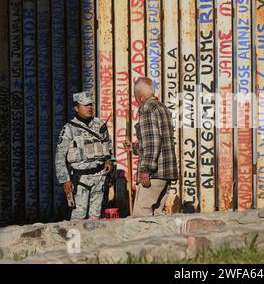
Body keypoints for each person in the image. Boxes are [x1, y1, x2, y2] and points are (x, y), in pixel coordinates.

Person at [55, 92, 115, 220]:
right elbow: (60, 156)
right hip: (80, 179)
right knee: (78, 217)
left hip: (99, 178)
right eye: (86, 105)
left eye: (91, 104)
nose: (90, 107)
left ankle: (94, 239)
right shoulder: (69, 129)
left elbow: (108, 145)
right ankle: (77, 240)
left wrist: (109, 161)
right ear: (76, 108)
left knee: (96, 216)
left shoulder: (99, 125)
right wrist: (65, 180)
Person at [124, 77, 178, 217]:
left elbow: (152, 142)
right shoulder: (161, 108)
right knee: (157, 215)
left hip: (154, 174)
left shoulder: (147, 108)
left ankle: (144, 240)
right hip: (166, 173)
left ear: (140, 97)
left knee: (141, 215)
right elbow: (157, 140)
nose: (136, 102)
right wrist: (134, 148)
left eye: (136, 98)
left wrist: (146, 170)